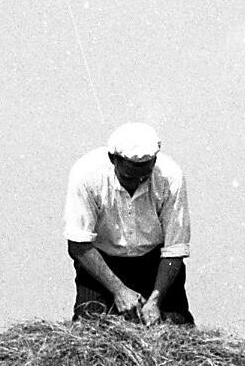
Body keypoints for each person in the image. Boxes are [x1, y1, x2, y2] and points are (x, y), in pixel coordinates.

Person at [64, 121, 194, 325]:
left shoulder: (170, 177)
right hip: (102, 263)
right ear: (113, 159)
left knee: (176, 331)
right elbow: (78, 243)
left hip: (155, 264)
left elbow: (174, 249)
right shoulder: (86, 175)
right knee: (89, 334)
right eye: (129, 177)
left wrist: (154, 301)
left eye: (145, 176)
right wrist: (119, 290)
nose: (138, 183)